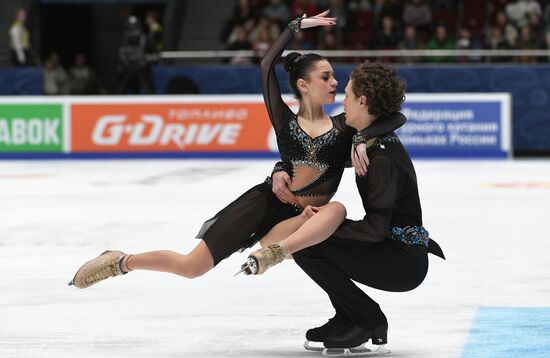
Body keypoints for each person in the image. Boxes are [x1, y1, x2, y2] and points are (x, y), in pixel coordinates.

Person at [68, 11, 404, 290]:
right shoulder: (285, 121)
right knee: (192, 266)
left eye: (334, 77)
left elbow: (395, 115)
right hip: (264, 204)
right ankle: (120, 261)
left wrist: (362, 138)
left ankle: (282, 261)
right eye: (326, 76)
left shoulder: (346, 126)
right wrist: (295, 27)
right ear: (304, 85)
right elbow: (265, 66)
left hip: (299, 221)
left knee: (337, 210)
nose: (334, 83)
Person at [239, 62, 445, 355]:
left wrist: (325, 228)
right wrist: (279, 169)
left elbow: (375, 229)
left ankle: (366, 318)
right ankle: (349, 314)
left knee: (309, 242)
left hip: (402, 261)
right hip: (393, 249)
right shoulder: (370, 141)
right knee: (311, 236)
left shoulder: (382, 158)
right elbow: (309, 156)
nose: (342, 101)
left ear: (363, 101)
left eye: (348, 95)